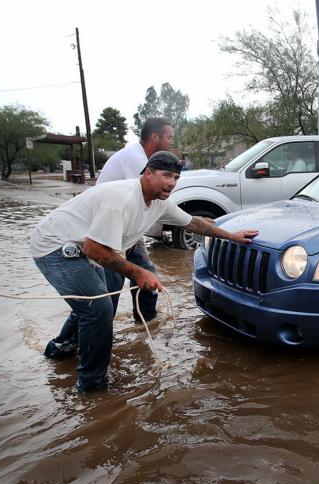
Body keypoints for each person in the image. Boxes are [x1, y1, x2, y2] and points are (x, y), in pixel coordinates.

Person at [31, 152, 258, 392]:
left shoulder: (159, 202)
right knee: (98, 309)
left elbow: (192, 222)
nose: (171, 183)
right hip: (53, 246)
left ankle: (59, 350)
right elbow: (95, 248)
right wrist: (138, 273)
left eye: (176, 177)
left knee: (96, 301)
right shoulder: (121, 199)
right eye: (166, 175)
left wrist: (231, 235)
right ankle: (91, 386)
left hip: (82, 247)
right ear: (148, 173)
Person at [97, 118, 174, 323]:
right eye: (169, 137)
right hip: (109, 231)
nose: (171, 142)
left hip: (127, 229)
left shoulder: (141, 158)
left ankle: (146, 323)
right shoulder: (137, 161)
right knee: (108, 292)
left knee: (147, 275)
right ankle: (68, 342)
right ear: (155, 137)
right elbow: (149, 197)